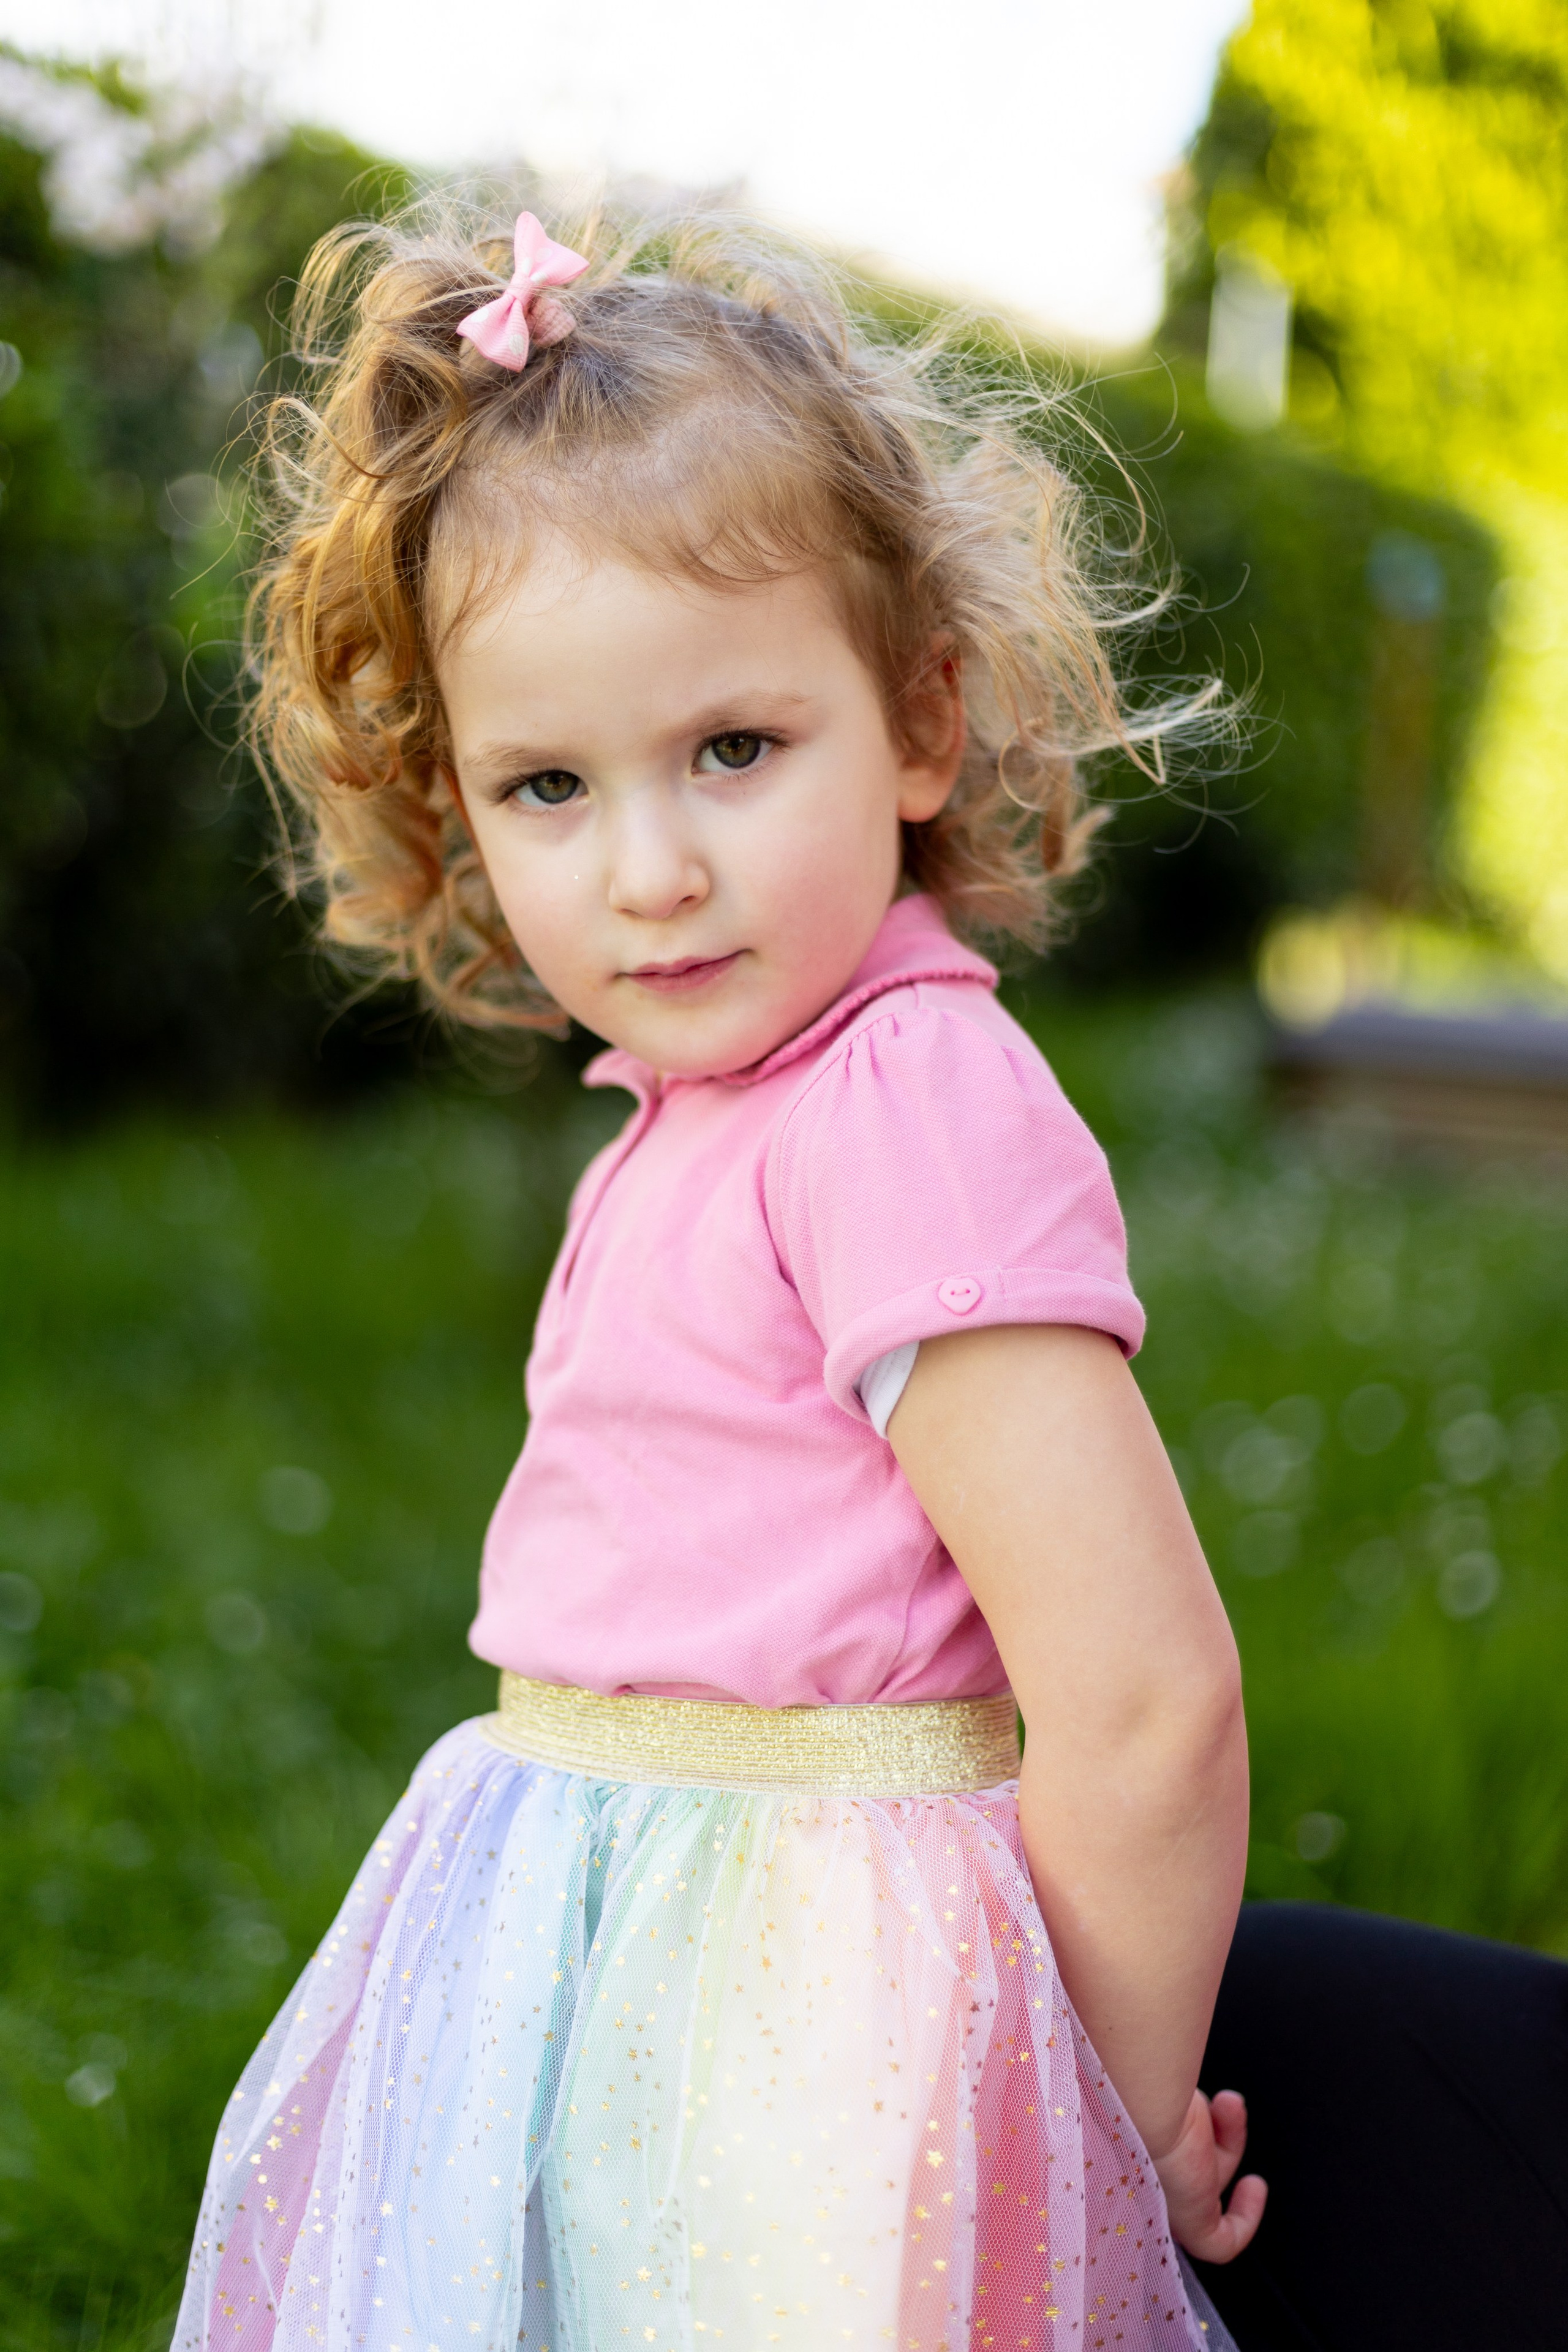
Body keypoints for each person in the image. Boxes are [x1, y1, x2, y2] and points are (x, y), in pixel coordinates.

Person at [175, 205, 1264, 2352]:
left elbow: (1145, 1702)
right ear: (460, 801)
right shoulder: (708, 1110)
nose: (650, 870)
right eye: (550, 787)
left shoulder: (898, 1107)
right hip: (613, 1959)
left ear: (923, 722)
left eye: (735, 753)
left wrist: (1097, 2130)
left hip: (815, 2027)